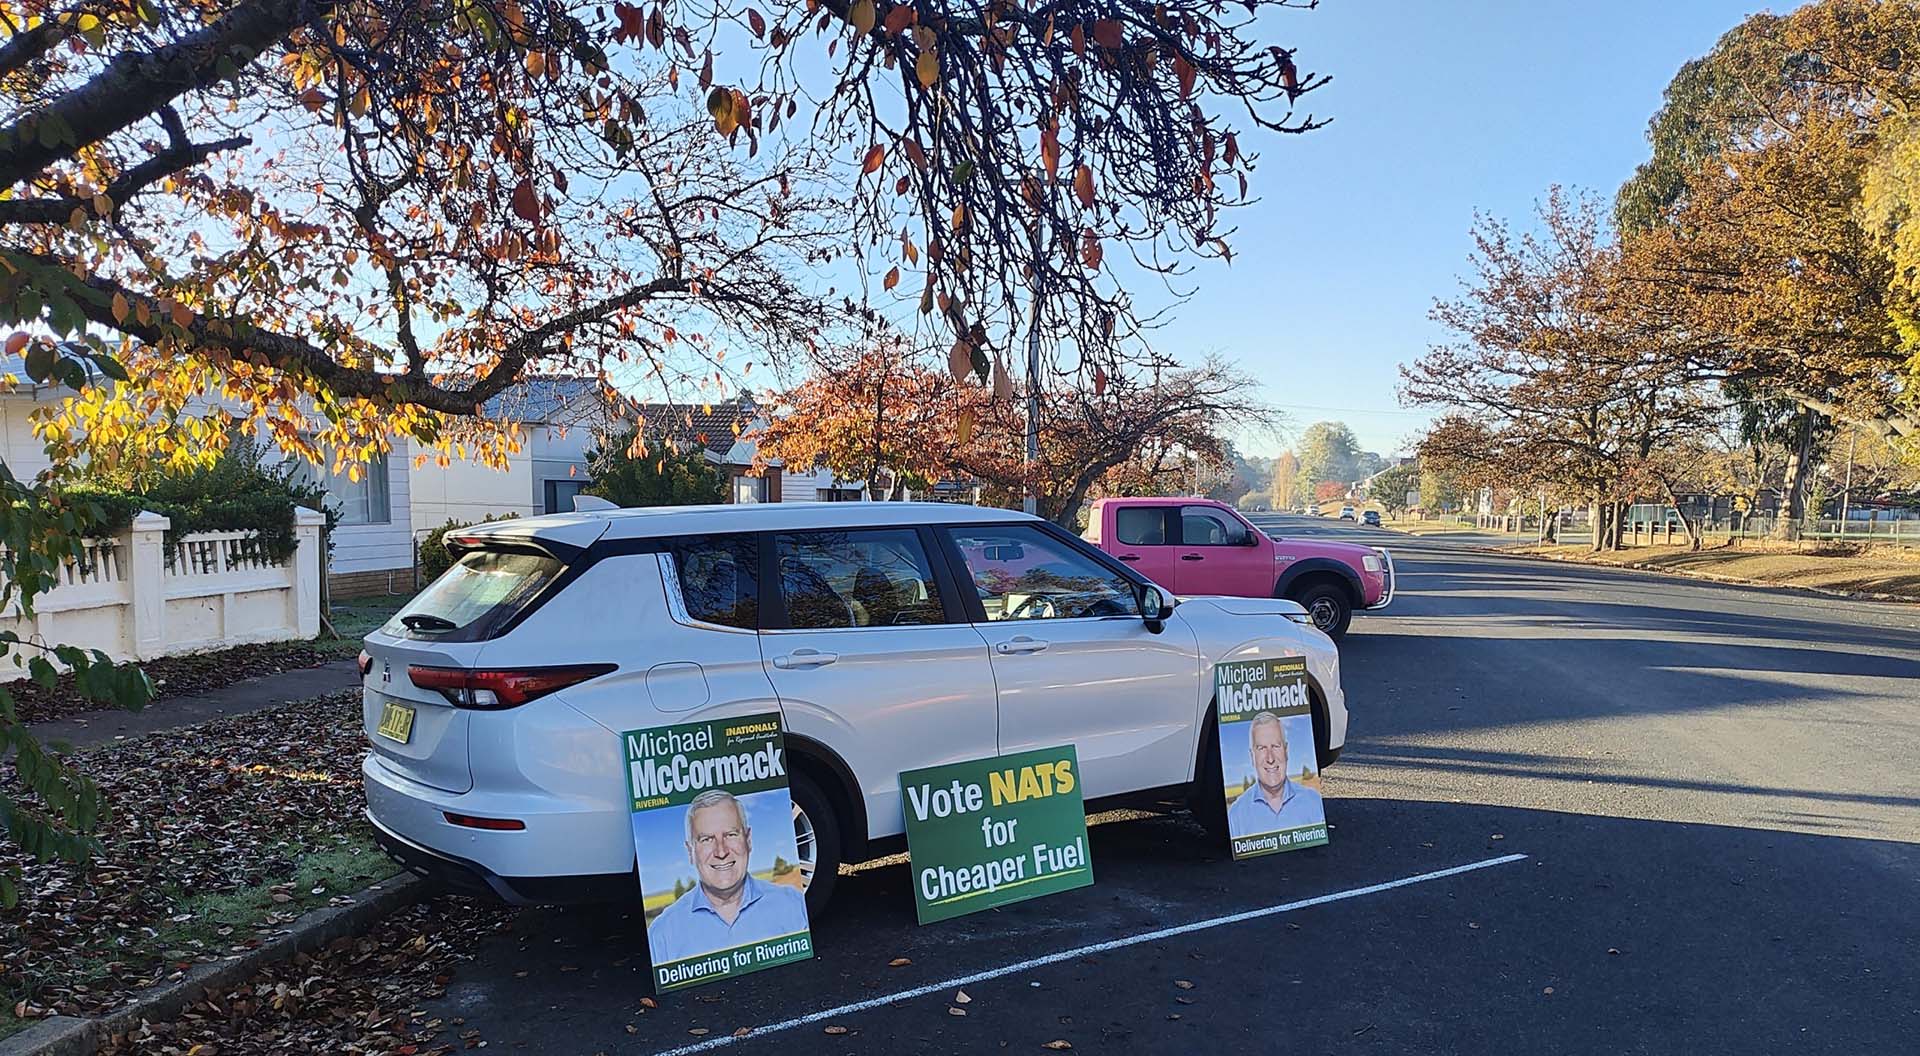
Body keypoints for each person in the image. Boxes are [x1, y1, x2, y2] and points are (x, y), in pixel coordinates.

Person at [646, 789, 809, 966]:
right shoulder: (662, 933)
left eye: (731, 835)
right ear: (690, 852)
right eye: (706, 839)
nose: (721, 851)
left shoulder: (793, 904)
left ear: (748, 840)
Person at [1225, 711, 1325, 836]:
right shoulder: (1236, 814)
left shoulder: (1313, 801)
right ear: (1252, 757)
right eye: (1261, 748)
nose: (1270, 758)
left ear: (1286, 751)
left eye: (1276, 746)